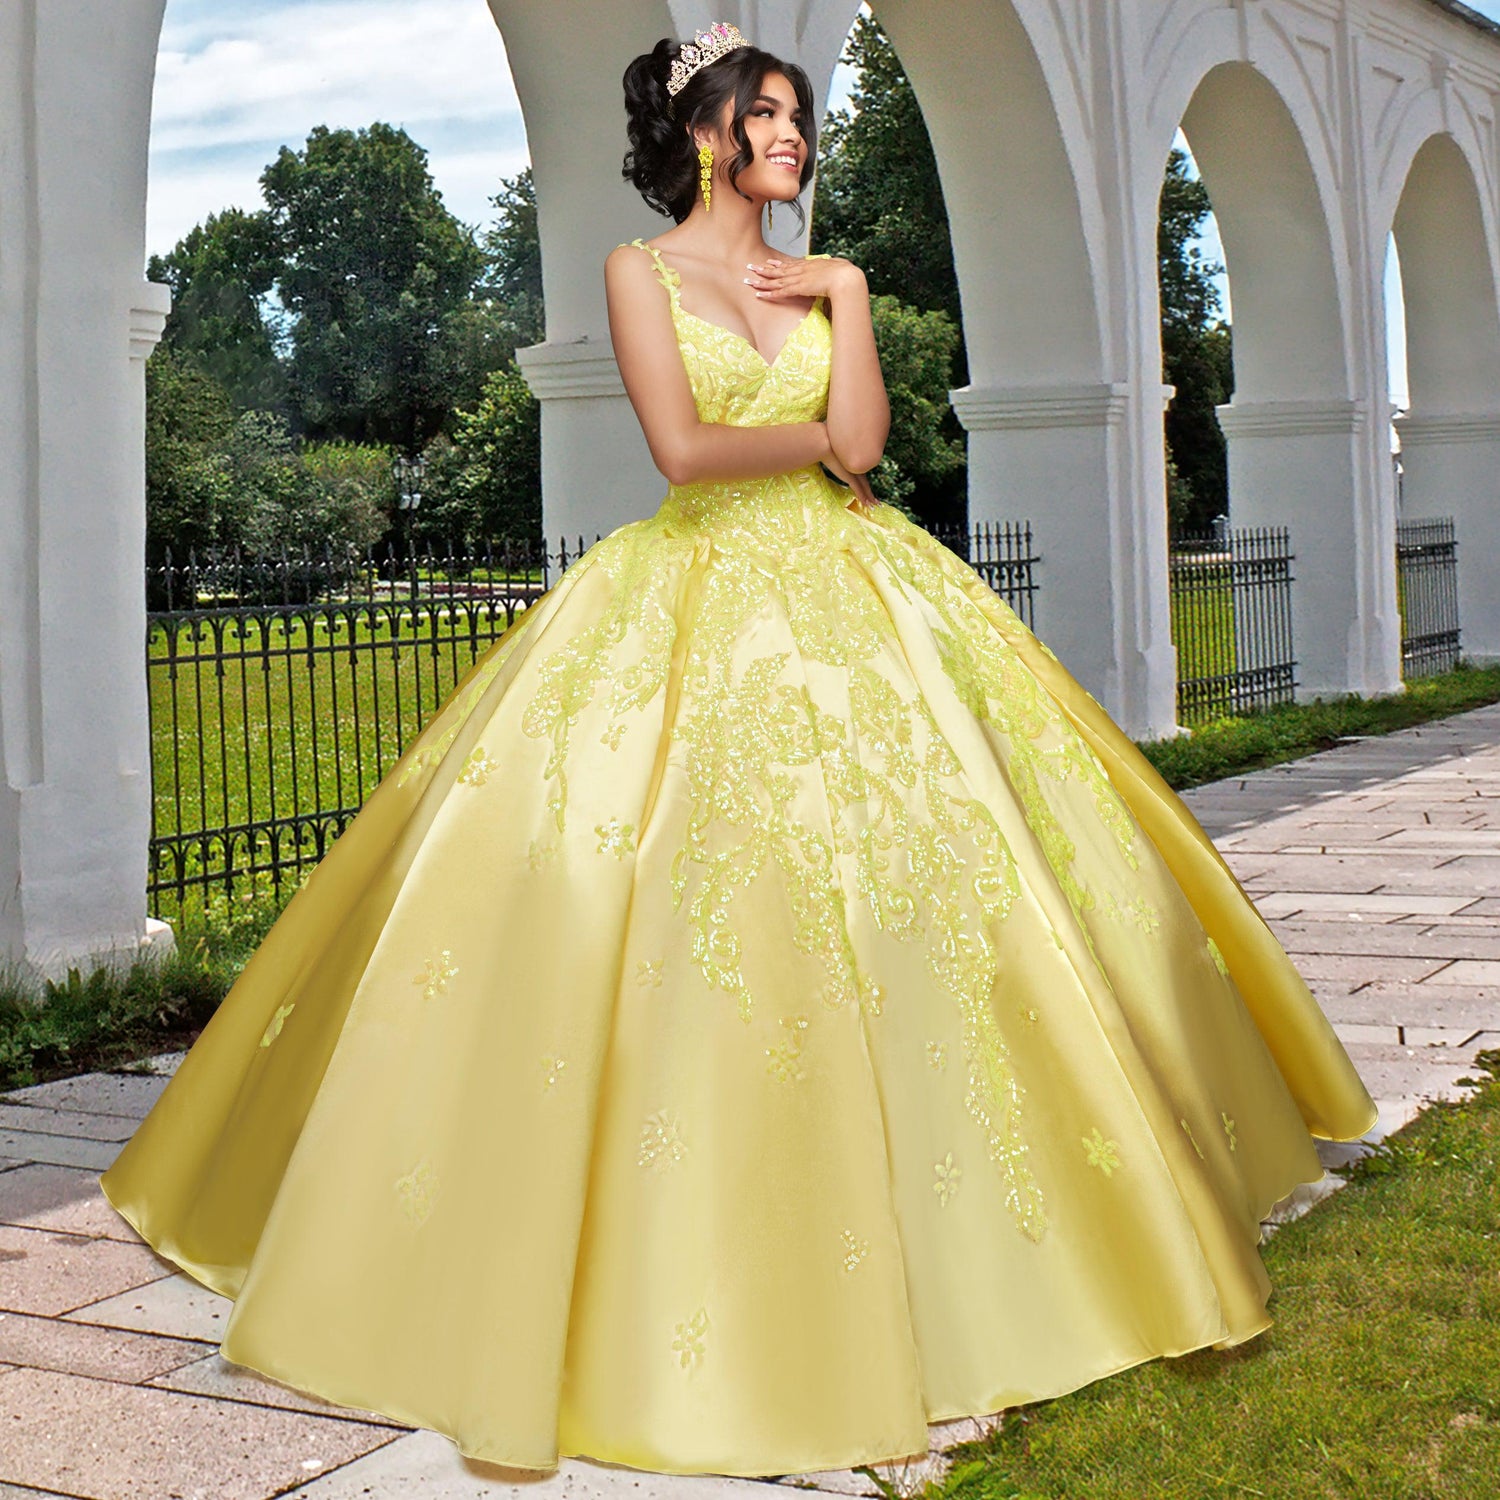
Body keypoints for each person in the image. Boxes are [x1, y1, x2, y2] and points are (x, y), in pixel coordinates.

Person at [99, 20, 1379, 1481]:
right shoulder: (636, 276)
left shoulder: (825, 279)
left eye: (798, 116)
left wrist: (842, 295)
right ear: (707, 134)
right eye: (767, 114)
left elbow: (871, 444)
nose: (792, 135)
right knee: (682, 886)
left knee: (954, 876)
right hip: (699, 588)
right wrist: (820, 435)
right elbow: (688, 453)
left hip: (863, 593)